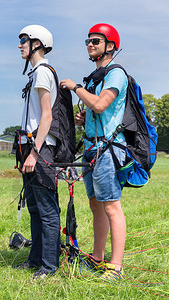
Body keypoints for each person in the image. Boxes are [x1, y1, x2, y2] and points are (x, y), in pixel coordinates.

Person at [60, 23, 128, 282]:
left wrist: (76, 88)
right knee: (95, 206)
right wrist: (83, 119)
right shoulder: (94, 77)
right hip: (91, 148)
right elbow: (95, 110)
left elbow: (101, 104)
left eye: (96, 41)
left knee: (111, 206)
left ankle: (116, 267)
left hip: (108, 149)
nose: (90, 44)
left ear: (110, 46)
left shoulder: (116, 74)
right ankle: (97, 258)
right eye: (88, 41)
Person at [14, 25, 60, 280]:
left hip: (40, 150)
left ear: (37, 44)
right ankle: (35, 261)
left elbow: (47, 115)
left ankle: (49, 267)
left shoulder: (42, 72)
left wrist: (34, 153)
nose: (20, 45)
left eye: (23, 40)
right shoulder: (34, 74)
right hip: (30, 148)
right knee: (34, 207)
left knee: (47, 210)